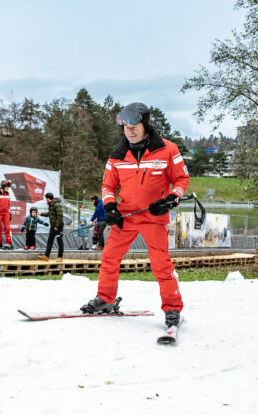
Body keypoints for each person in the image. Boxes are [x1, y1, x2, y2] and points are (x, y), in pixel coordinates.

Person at [81, 102, 189, 329]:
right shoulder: (117, 155)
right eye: (125, 127)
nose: (130, 131)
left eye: (135, 126)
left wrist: (171, 198)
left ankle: (172, 308)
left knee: (161, 264)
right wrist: (110, 208)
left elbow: (181, 179)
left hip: (153, 215)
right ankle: (106, 299)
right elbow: (108, 186)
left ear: (145, 125)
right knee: (109, 258)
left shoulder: (168, 149)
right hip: (126, 215)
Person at [38, 192, 65, 261]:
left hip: (58, 226)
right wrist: (41, 214)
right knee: (50, 240)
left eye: (46, 198)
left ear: (48, 198)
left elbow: (60, 216)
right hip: (53, 226)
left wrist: (57, 226)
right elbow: (50, 213)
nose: (46, 200)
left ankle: (60, 257)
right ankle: (46, 256)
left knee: (59, 241)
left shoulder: (56, 204)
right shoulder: (51, 204)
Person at [0, 179, 15, 249]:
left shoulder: (8, 194)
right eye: (7, 187)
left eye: (8, 187)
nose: (8, 188)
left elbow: (8, 205)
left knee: (7, 228)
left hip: (6, 214)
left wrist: (9, 213)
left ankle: (9, 243)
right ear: (3, 186)